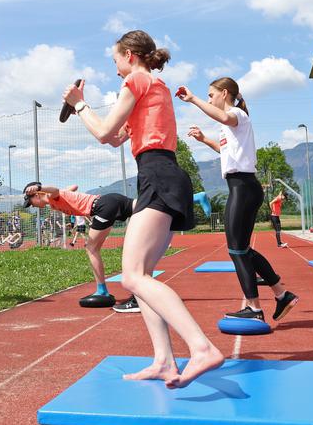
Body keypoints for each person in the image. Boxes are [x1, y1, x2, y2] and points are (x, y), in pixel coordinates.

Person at [62, 30, 223, 388]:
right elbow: (116, 136)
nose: (116, 69)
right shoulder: (155, 86)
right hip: (162, 174)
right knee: (143, 276)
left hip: (157, 176)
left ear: (130, 55)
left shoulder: (136, 78)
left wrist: (79, 104)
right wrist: (81, 109)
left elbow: (104, 131)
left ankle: (201, 348)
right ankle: (164, 361)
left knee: (132, 276)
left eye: (116, 60)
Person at [177, 77, 299, 325]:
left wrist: (193, 100)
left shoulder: (236, 115)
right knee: (242, 249)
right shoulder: (231, 124)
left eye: (211, 95)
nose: (209, 98)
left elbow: (223, 117)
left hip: (243, 188)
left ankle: (254, 308)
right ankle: (282, 294)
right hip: (241, 187)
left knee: (236, 250)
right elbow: (226, 153)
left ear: (224, 93)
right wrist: (204, 140)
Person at [23, 182, 140, 312]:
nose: (32, 206)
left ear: (37, 195)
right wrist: (66, 191)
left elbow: (55, 189)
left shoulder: (51, 196)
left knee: (91, 248)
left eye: (31, 202)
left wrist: (40, 187)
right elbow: (74, 186)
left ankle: (102, 291)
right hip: (111, 200)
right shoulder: (53, 200)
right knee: (149, 207)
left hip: (103, 207)